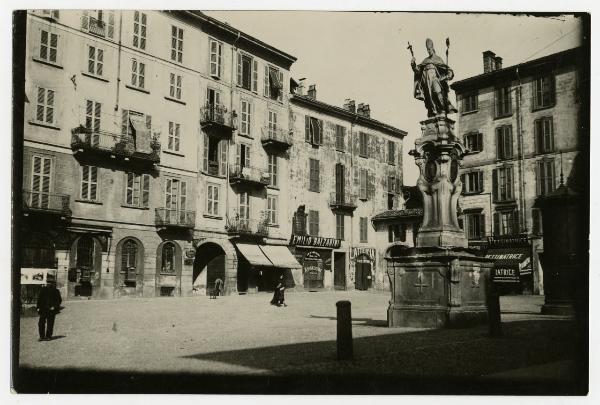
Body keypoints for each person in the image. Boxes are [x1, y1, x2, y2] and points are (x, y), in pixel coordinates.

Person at [411, 38, 458, 118]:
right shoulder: (425, 60)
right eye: (427, 49)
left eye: (429, 49)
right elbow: (418, 71)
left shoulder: (438, 59)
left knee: (437, 92)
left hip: (436, 80)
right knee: (429, 97)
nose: (428, 51)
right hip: (426, 81)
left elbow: (448, 70)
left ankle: (442, 110)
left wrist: (448, 75)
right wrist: (413, 64)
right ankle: (433, 112)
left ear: (433, 48)